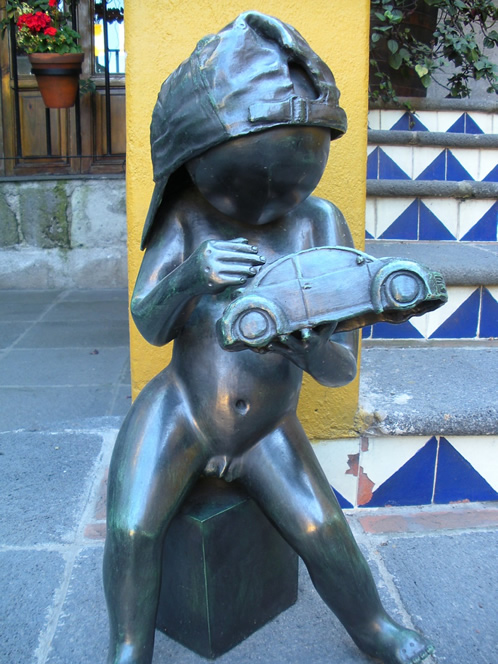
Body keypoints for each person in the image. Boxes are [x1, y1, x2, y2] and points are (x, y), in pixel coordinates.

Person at [103, 12, 434, 664]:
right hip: (183, 410)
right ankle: (128, 647)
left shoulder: (318, 224)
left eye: (289, 182)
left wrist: (304, 344)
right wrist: (191, 276)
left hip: (266, 428)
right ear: (198, 165)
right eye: (246, 182)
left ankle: (376, 630)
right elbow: (148, 322)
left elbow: (339, 369)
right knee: (132, 528)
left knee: (322, 526)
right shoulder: (187, 218)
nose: (271, 201)